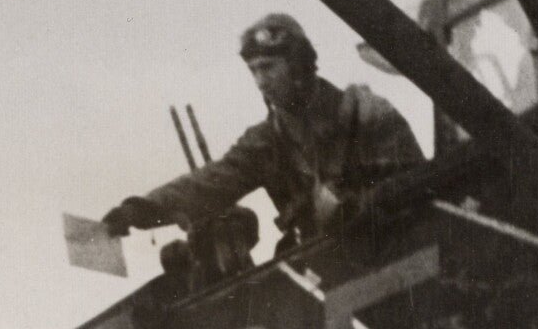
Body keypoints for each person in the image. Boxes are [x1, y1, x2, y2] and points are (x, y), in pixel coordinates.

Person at [103, 14, 425, 258]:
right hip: (326, 269)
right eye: (254, 70)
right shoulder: (267, 142)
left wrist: (353, 210)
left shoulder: (364, 113)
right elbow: (209, 183)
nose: (260, 81)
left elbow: (418, 186)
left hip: (395, 252)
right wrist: (139, 211)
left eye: (269, 67)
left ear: (299, 65)